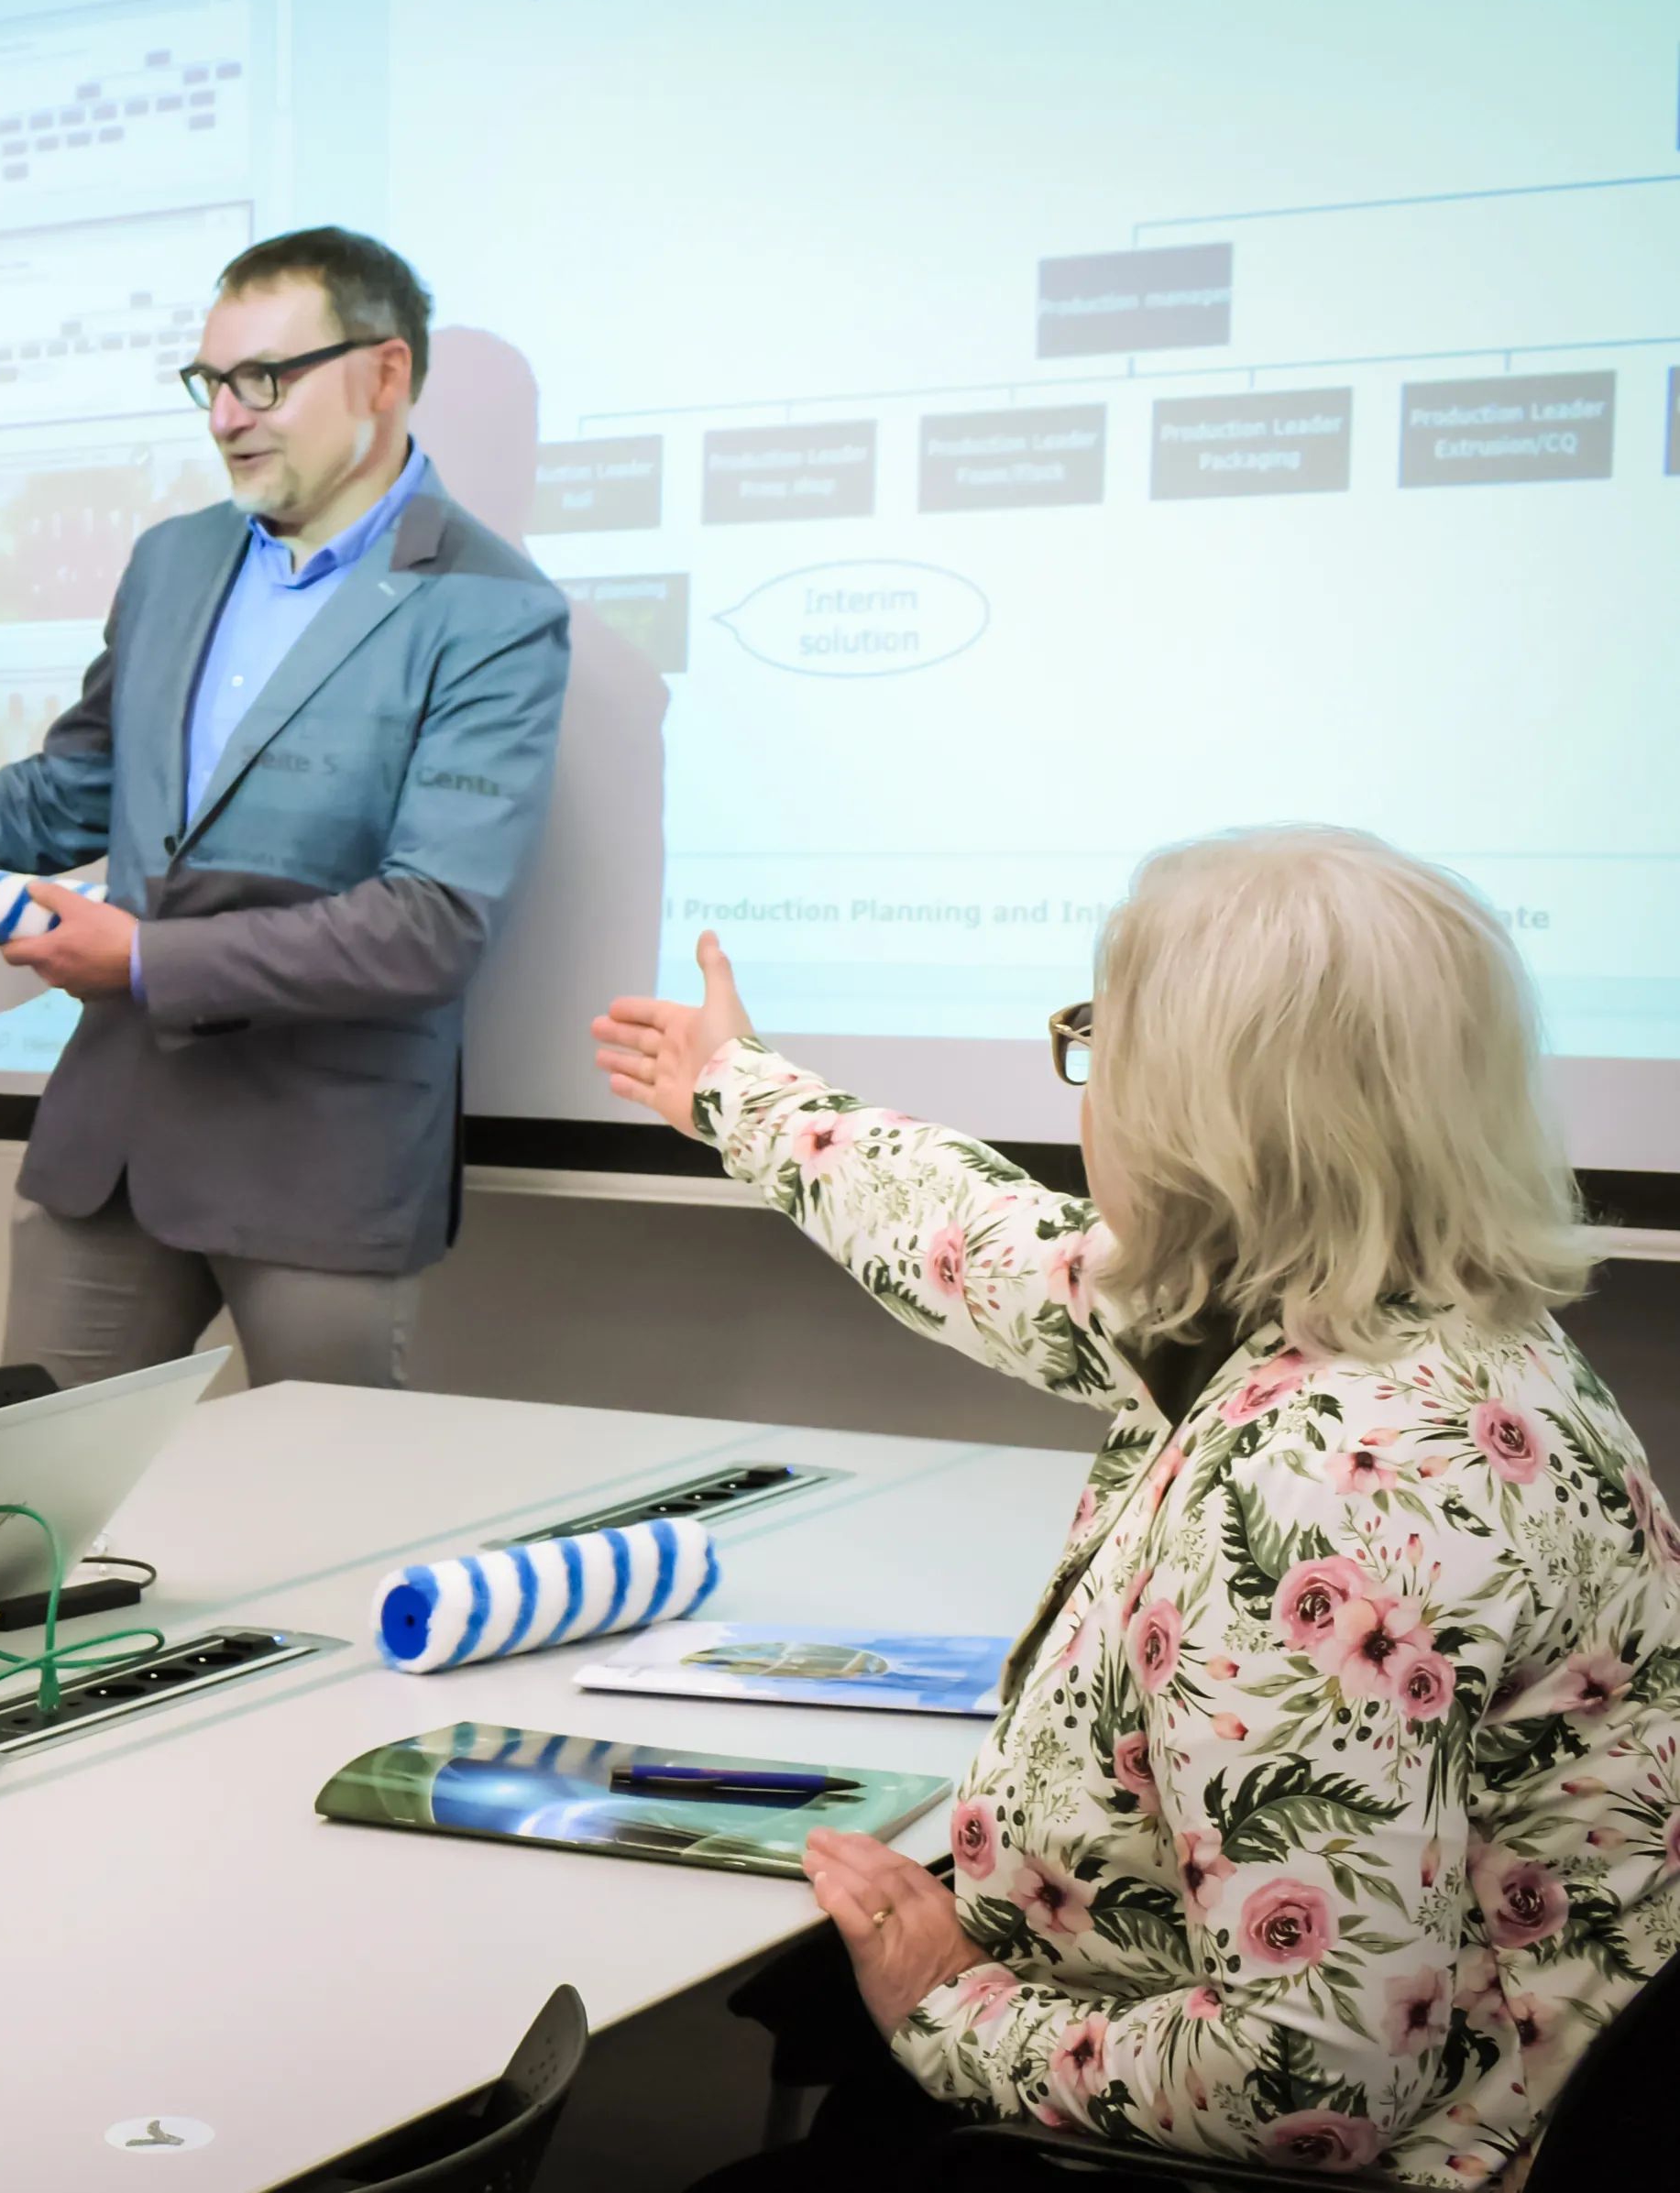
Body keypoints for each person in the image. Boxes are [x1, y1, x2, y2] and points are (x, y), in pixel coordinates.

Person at [585, 829, 1680, 2188]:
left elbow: (1312, 2079)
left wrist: (943, 2001)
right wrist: (731, 1090)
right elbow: (986, 1248)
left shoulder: (1333, 1487)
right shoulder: (1414, 1311)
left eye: (1108, 1044)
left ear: (1210, 1115)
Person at [0, 229, 570, 1389]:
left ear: (384, 376)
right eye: (211, 383)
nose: (226, 417)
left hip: (321, 1165)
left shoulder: (491, 608)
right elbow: (61, 796)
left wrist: (145, 960)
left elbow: (431, 924)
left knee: (324, 1529)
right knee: (18, 1529)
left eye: (264, 380)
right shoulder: (173, 561)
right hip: (114, 1146)